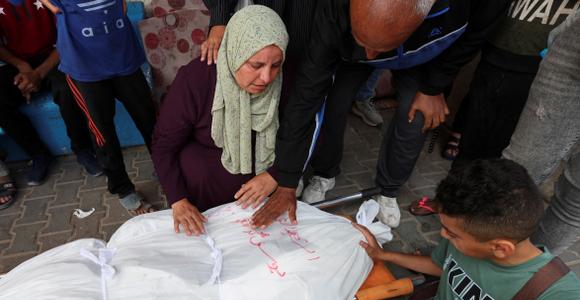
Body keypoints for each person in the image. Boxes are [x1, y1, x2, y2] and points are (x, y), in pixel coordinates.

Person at [250, 0, 510, 229]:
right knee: (332, 103)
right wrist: (287, 177)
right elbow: (306, 95)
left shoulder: (473, 6)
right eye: (365, 42)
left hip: (422, 58)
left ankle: (388, 191)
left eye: (378, 48)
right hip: (350, 52)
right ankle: (325, 172)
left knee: (417, 118)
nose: (372, 56)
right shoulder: (333, 12)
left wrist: (434, 86)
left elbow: (474, 36)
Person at [341, 159, 580, 300]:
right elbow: (439, 266)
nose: (443, 235)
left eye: (452, 234)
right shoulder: (461, 238)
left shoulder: (560, 298)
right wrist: (384, 256)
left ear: (500, 248)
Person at [409, 2, 578, 217]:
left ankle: (482, 214)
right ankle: (449, 201)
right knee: (471, 140)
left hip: (539, 74)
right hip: (494, 59)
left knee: (505, 156)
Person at [152, 5, 288, 236]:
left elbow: (302, 133)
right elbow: (163, 146)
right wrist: (178, 201)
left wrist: (277, 175)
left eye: (275, 65)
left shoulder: (287, 78)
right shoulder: (197, 79)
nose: (266, 77)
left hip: (263, 181)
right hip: (208, 185)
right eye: (255, 65)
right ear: (235, 51)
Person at [41, 0, 157, 215]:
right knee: (102, 132)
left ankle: (167, 167)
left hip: (122, 55)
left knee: (149, 119)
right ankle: (123, 189)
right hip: (84, 67)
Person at [0, 0, 102, 186]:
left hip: (56, 56)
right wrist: (23, 67)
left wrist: (38, 74)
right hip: (20, 65)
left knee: (67, 88)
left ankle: (83, 149)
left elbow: (70, 34)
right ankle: (39, 154)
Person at [504, 11, 580, 256]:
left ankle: (524, 275)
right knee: (514, 174)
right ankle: (464, 261)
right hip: (574, 48)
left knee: (575, 198)